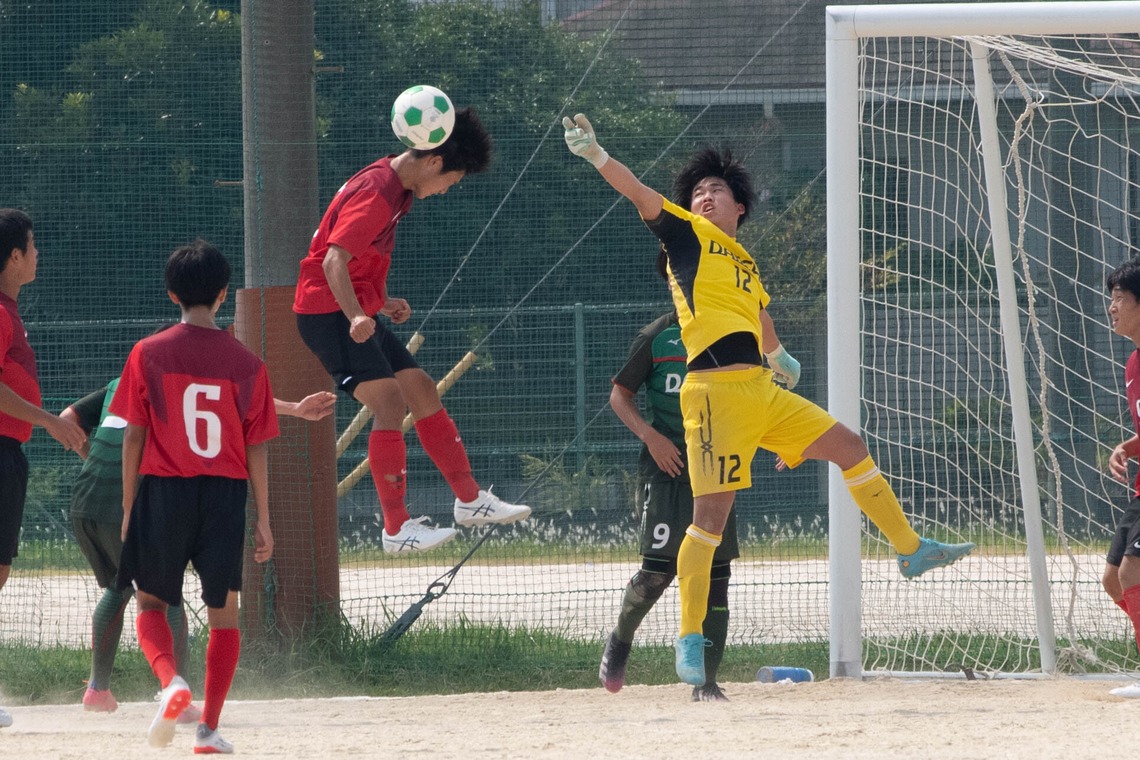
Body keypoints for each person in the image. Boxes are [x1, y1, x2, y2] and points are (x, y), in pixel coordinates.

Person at [563, 114, 976, 686]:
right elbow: (638, 191)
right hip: (713, 395)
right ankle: (688, 637)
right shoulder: (685, 233)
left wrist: (780, 358)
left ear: (739, 208)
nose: (705, 196)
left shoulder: (746, 262)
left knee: (850, 447)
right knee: (709, 522)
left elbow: (760, 317)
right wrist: (599, 156)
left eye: (716, 190)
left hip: (760, 390)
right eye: (698, 191)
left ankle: (910, 549)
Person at [293, 105, 530, 554]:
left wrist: (380, 302)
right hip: (327, 313)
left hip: (348, 307)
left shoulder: (397, 186)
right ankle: (396, 529)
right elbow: (332, 261)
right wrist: (357, 315)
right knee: (389, 401)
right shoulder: (378, 192)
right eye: (450, 182)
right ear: (434, 162)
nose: (445, 191)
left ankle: (469, 500)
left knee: (420, 388)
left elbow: (356, 258)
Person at [62, 372, 334, 715]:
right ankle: (177, 693)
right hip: (135, 496)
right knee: (164, 595)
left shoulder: (122, 381)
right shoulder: (176, 375)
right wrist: (294, 408)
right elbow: (231, 401)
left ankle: (97, 690)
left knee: (120, 586)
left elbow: (67, 418)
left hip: (87, 498)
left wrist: (94, 459)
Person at [112, 240, 279, 753]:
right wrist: (264, 518)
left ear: (171, 294)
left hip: (165, 490)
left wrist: (129, 507)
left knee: (149, 602)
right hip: (225, 495)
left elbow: (133, 436)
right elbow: (256, 447)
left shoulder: (147, 352)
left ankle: (171, 683)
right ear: (224, 293)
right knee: (224, 613)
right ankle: (208, 730)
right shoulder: (248, 363)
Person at [601, 269, 739, 702]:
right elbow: (619, 396)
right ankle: (620, 642)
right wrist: (651, 437)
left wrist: (778, 439)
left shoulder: (734, 331)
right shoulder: (657, 337)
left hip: (716, 466)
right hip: (668, 469)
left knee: (716, 577)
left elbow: (753, 395)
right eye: (681, 279)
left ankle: (707, 684)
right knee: (656, 574)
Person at [0, 209, 87, 728]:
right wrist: (49, 420)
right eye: (32, 246)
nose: (38, 254)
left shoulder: (9, 311)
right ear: (14, 256)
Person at [1103, 258, 1140, 699]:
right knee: (1113, 580)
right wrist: (1127, 447)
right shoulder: (1133, 363)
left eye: (1119, 299)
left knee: (1133, 572)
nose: (1112, 308)